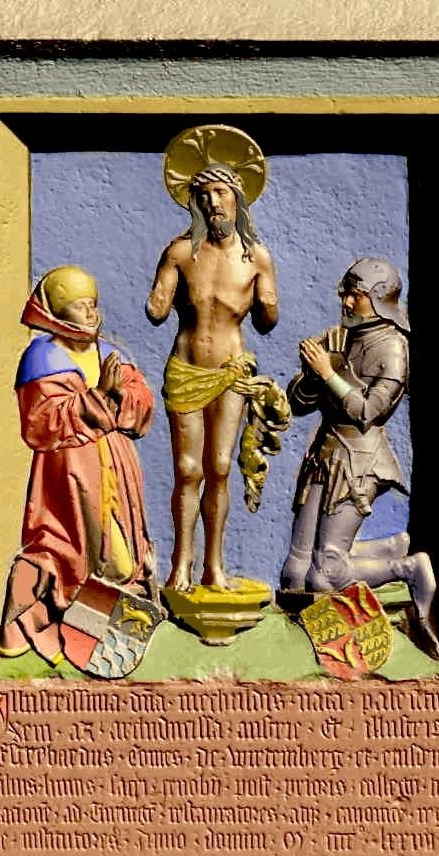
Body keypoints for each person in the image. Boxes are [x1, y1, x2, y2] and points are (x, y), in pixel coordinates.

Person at [280, 257, 439, 659]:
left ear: (378, 298)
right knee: (295, 573)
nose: (347, 302)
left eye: (356, 295)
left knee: (327, 574)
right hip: (325, 454)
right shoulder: (342, 337)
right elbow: (298, 402)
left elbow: (369, 411)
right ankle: (390, 548)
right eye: (346, 293)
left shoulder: (391, 347)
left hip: (360, 462)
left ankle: (407, 567)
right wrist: (312, 375)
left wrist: (329, 374)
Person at [0, 265, 154, 676]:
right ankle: (33, 620)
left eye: (92, 304)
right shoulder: (43, 357)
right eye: (78, 305)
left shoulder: (109, 353)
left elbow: (141, 403)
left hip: (117, 471)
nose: (90, 312)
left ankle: (99, 640)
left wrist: (121, 395)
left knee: (124, 557)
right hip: (68, 475)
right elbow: (40, 422)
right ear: (55, 312)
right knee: (68, 551)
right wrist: (99, 396)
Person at [147, 158, 278, 592]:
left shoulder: (256, 258)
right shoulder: (181, 252)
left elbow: (267, 320)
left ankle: (213, 565)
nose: (212, 203)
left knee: (219, 467)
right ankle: (180, 564)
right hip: (187, 368)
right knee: (188, 469)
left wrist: (266, 299)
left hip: (229, 371)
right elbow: (157, 310)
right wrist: (162, 289)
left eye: (220, 193)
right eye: (203, 196)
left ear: (237, 199)